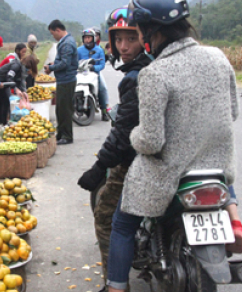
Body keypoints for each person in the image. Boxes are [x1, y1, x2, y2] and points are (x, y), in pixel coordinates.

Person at [105, 0, 242, 291]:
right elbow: (232, 113)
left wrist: (134, 137)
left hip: (166, 177)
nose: (138, 39)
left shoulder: (155, 73)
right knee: (218, 178)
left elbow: (151, 142)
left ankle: (116, 287)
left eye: (139, 32)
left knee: (122, 224)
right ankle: (235, 220)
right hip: (213, 171)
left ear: (152, 31)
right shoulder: (218, 56)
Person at [78, 7, 152, 291]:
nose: (123, 47)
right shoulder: (160, 64)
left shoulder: (135, 78)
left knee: (108, 218)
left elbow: (122, 136)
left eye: (131, 39)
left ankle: (115, 283)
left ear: (146, 36)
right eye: (118, 39)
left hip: (139, 161)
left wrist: (99, 168)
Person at [44, 20, 78, 145]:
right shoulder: (65, 42)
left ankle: (67, 136)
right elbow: (63, 61)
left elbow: (65, 63)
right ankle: (61, 133)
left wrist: (51, 68)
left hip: (66, 80)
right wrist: (54, 64)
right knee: (60, 109)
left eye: (53, 33)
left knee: (65, 109)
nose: (53, 36)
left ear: (58, 30)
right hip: (63, 79)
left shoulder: (67, 43)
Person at [0, 55, 38, 126]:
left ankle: (3, 122)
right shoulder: (16, 66)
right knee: (4, 102)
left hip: (5, 83)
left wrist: (23, 91)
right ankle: (2, 123)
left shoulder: (23, 70)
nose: (29, 73)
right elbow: (9, 77)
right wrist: (16, 89)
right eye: (30, 70)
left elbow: (21, 81)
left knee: (5, 102)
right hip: (0, 81)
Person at [77, 28, 110, 121]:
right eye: (85, 38)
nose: (87, 40)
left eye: (89, 38)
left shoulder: (99, 50)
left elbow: (102, 65)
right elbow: (75, 63)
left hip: (94, 75)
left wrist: (94, 68)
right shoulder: (79, 50)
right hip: (82, 74)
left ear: (93, 38)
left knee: (102, 89)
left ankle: (104, 112)